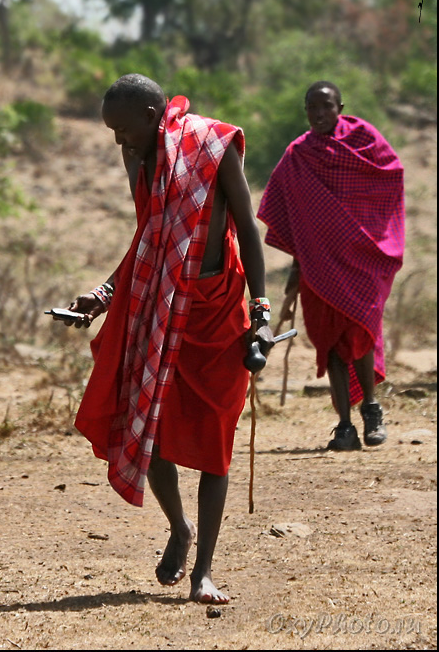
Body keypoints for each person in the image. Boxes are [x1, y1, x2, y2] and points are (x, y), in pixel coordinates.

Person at [59, 74, 273, 604]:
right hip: (159, 306)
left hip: (218, 309)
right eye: (112, 131)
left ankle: (204, 571)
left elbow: (246, 227)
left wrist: (262, 312)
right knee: (146, 422)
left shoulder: (213, 146)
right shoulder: (140, 157)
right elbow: (149, 238)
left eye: (123, 129)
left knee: (216, 443)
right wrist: (104, 294)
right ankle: (179, 526)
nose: (117, 141)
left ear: (154, 115)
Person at [257, 81, 405, 451]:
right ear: (305, 110)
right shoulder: (298, 155)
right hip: (318, 266)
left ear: (341, 106)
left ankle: (371, 409)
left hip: (361, 260)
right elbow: (289, 214)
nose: (319, 114)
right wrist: (296, 271)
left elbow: (390, 176)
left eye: (326, 106)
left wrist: (367, 235)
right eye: (312, 107)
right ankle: (344, 425)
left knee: (361, 333)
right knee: (330, 342)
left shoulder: (364, 140)